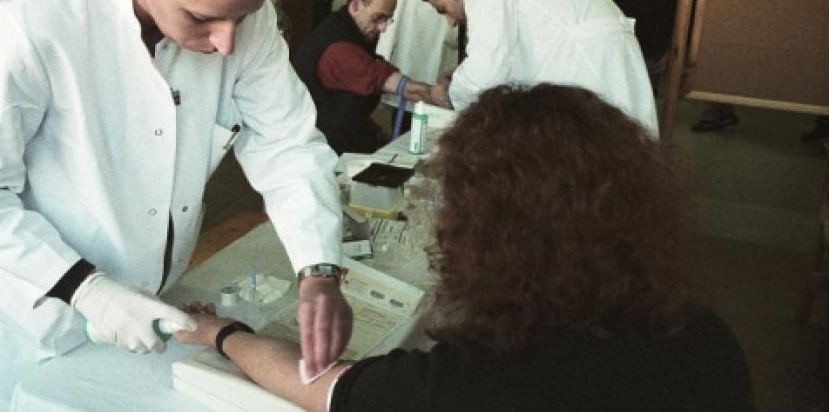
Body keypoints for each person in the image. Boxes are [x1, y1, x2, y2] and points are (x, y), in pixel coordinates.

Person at [0, 0, 350, 408]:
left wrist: (320, 272)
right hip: (45, 314)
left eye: (243, 16)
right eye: (201, 18)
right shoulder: (36, 25)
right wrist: (86, 289)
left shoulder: (242, 19)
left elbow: (286, 143)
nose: (226, 44)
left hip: (160, 305)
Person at [173, 84, 756, 412]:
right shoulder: (709, 339)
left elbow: (323, 386)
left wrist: (223, 334)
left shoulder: (472, 386)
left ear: (485, 239)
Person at [422, 0, 659, 136]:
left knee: (604, 158)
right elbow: (507, 57)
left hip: (592, 60)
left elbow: (485, 70)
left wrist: (448, 95)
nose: (451, 22)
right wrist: (461, 74)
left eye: (443, 10)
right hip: (604, 52)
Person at [292, 0, 434, 155]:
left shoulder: (350, 32)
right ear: (356, 5)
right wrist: (442, 95)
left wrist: (375, 130)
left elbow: (340, 100)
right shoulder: (338, 49)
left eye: (387, 20)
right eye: (378, 18)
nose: (382, 28)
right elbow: (402, 87)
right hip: (324, 151)